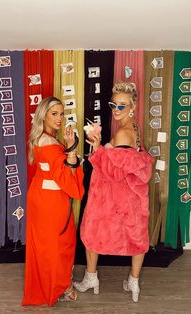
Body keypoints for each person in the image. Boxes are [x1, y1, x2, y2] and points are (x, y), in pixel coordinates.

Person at [74, 82, 154, 302]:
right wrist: (102, 146)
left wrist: (98, 148)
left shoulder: (122, 134)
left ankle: (91, 278)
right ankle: (133, 283)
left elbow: (114, 173)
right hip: (132, 197)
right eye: (113, 105)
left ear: (132, 106)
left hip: (113, 198)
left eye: (122, 106)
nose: (116, 110)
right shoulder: (134, 128)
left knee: (92, 231)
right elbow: (126, 164)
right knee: (138, 237)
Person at [22, 96, 84, 307]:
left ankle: (51, 284)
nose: (59, 118)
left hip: (41, 196)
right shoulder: (49, 143)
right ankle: (61, 287)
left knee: (47, 244)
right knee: (60, 243)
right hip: (51, 200)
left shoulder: (42, 137)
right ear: (43, 116)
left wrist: (66, 148)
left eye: (61, 113)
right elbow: (66, 176)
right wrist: (72, 149)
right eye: (54, 114)